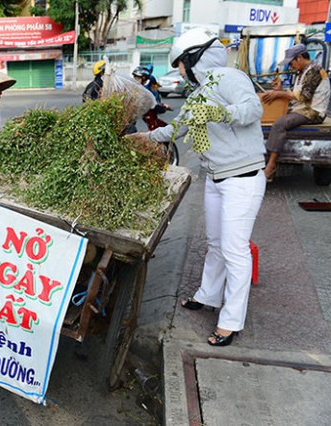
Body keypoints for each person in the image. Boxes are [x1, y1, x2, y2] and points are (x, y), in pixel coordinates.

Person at [132, 28, 266, 347]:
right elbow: (177, 128)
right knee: (216, 244)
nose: (179, 70)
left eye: (181, 64)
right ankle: (207, 295)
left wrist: (222, 112)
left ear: (195, 58)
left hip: (242, 178)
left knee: (235, 250)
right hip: (216, 178)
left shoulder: (229, 77)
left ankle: (231, 322)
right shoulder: (199, 94)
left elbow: (252, 110)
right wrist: (144, 138)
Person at [261, 43, 331, 181]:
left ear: (299, 58)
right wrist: (280, 91)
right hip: (301, 109)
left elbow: (304, 97)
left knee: (279, 124)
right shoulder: (302, 72)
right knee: (270, 115)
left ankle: (271, 164)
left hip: (313, 112)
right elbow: (296, 95)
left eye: (291, 62)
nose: (290, 66)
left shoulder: (315, 70)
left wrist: (280, 94)